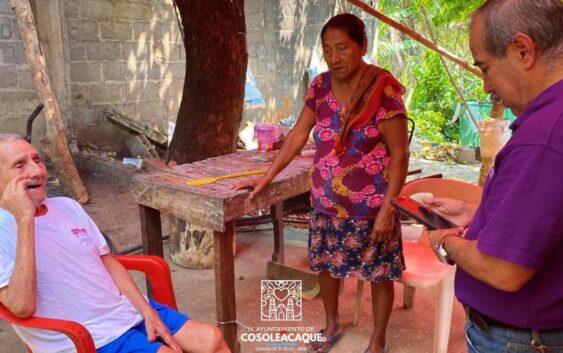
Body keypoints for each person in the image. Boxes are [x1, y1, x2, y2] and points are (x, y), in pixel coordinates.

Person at [235, 13, 409, 353]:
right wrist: (267, 176)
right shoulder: (321, 86)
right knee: (327, 266)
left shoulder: (383, 89)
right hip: (326, 202)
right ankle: (332, 323)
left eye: (342, 48)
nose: (334, 58)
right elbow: (299, 134)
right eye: (328, 50)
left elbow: (400, 154)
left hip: (372, 206)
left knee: (379, 274)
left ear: (363, 46)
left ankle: (377, 339)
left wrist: (388, 209)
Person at [0, 134, 230, 353]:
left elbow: (108, 263)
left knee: (213, 339)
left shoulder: (67, 206)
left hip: (124, 310)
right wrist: (24, 219)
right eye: (20, 165)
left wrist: (146, 310)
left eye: (37, 160)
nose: (37, 170)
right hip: (84, 335)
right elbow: (21, 307)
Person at [424, 0, 563, 352]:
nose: (485, 85)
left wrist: (445, 242)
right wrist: (475, 214)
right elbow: (545, 217)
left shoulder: (545, 137)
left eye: (485, 67)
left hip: (519, 340)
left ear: (522, 50)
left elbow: (504, 269)